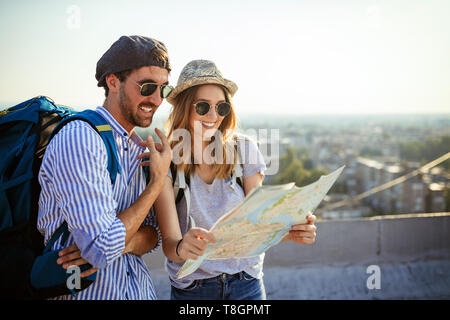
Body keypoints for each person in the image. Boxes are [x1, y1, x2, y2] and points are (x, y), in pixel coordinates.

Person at [152, 60, 317, 300]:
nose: (213, 116)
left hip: (246, 283)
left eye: (221, 108)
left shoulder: (245, 151)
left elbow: (257, 227)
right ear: (184, 108)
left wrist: (291, 231)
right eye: (202, 107)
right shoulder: (167, 160)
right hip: (194, 290)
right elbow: (169, 244)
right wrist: (182, 247)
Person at [37, 35, 173, 299]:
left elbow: (153, 236)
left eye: (164, 89)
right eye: (147, 87)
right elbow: (100, 249)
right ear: (113, 82)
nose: (157, 100)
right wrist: (156, 184)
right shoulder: (81, 138)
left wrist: (125, 241)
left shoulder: (138, 148)